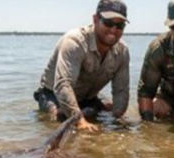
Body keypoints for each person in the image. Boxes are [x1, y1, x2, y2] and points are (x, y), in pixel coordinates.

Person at [34, 0, 131, 133]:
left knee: (110, 110)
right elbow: (63, 85)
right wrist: (80, 121)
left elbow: (121, 91)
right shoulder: (74, 42)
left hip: (88, 96)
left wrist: (118, 121)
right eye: (108, 23)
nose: (114, 29)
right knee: (62, 120)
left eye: (120, 25)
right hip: (53, 94)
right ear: (95, 19)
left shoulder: (123, 52)